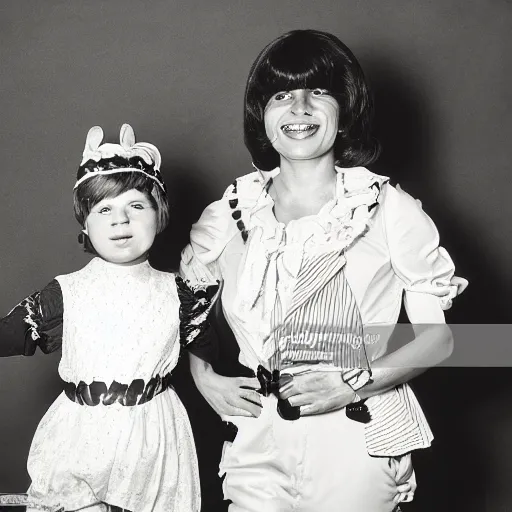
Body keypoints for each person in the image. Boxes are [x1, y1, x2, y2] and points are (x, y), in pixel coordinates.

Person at [180, 29, 468, 512]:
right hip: (257, 435)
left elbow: (441, 340)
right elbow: (191, 303)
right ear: (261, 113)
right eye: (281, 95)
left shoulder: (387, 208)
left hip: (355, 430)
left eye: (318, 92)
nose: (299, 108)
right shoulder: (231, 212)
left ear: (345, 109)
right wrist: (203, 375)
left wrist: (350, 381)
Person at [0, 124, 217, 512]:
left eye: (136, 206)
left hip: (155, 444)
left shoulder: (178, 294)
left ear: (159, 214)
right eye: (104, 209)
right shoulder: (67, 293)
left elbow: (229, 350)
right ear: (85, 224)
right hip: (79, 441)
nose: (120, 220)